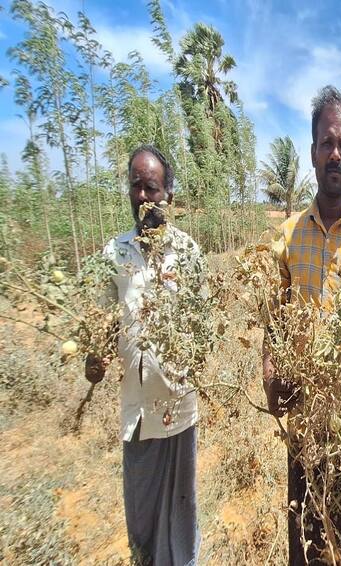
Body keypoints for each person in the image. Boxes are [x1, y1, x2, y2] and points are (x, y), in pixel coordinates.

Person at [263, 85, 341, 565]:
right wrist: (270, 370)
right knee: (305, 540)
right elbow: (274, 318)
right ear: (312, 151)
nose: (335, 153)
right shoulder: (288, 234)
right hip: (304, 418)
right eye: (326, 143)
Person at [85, 145, 204, 566]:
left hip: (179, 407)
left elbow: (203, 322)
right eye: (135, 186)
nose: (142, 197)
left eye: (151, 187)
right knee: (141, 515)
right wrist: (93, 358)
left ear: (167, 194)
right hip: (136, 414)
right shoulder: (114, 254)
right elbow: (98, 325)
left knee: (181, 512)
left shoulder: (188, 253)